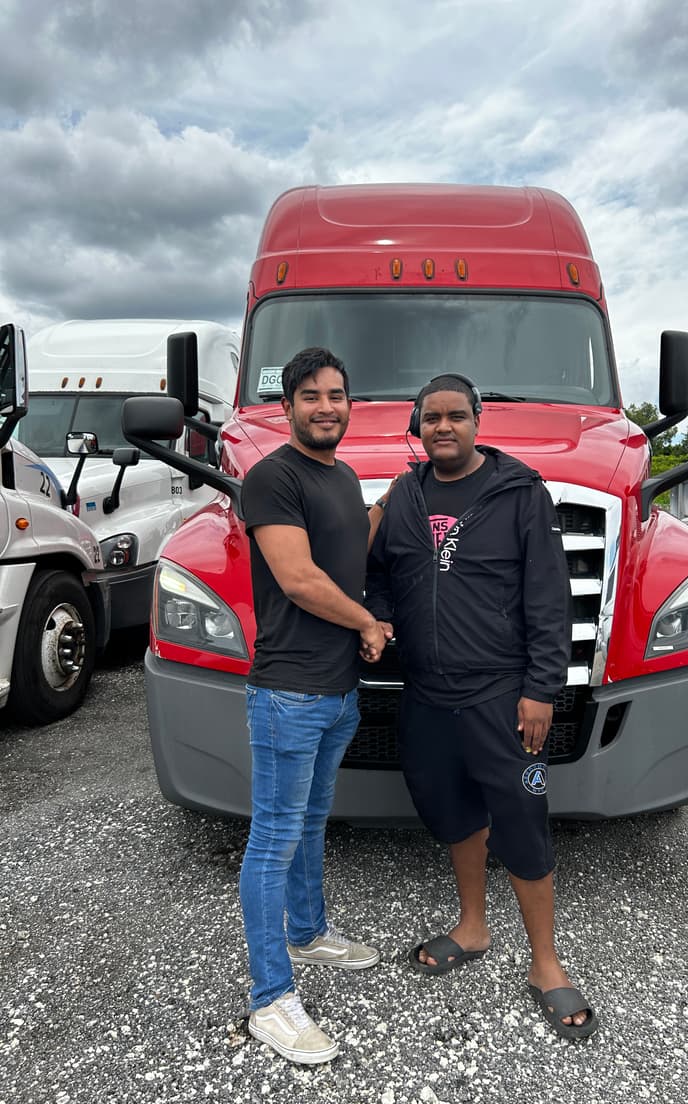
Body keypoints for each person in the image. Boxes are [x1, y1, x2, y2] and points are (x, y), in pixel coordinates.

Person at [366, 373, 597, 1040]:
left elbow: (549, 597)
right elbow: (377, 571)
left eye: (456, 416)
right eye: (431, 417)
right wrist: (380, 614)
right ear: (418, 426)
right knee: (453, 812)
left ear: (476, 422)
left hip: (500, 694)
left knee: (522, 820)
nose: (443, 427)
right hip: (426, 693)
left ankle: (546, 963)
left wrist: (541, 690)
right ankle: (472, 928)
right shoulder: (404, 496)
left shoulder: (520, 494)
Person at [239, 346, 392, 1065]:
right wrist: (367, 624)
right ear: (287, 406)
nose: (326, 407)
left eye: (336, 395)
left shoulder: (343, 475)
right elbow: (299, 578)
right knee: (274, 838)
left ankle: (306, 932)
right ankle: (270, 999)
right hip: (289, 693)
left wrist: (394, 500)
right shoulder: (272, 477)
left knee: (308, 823)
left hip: (336, 693)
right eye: (311, 396)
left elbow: (348, 545)